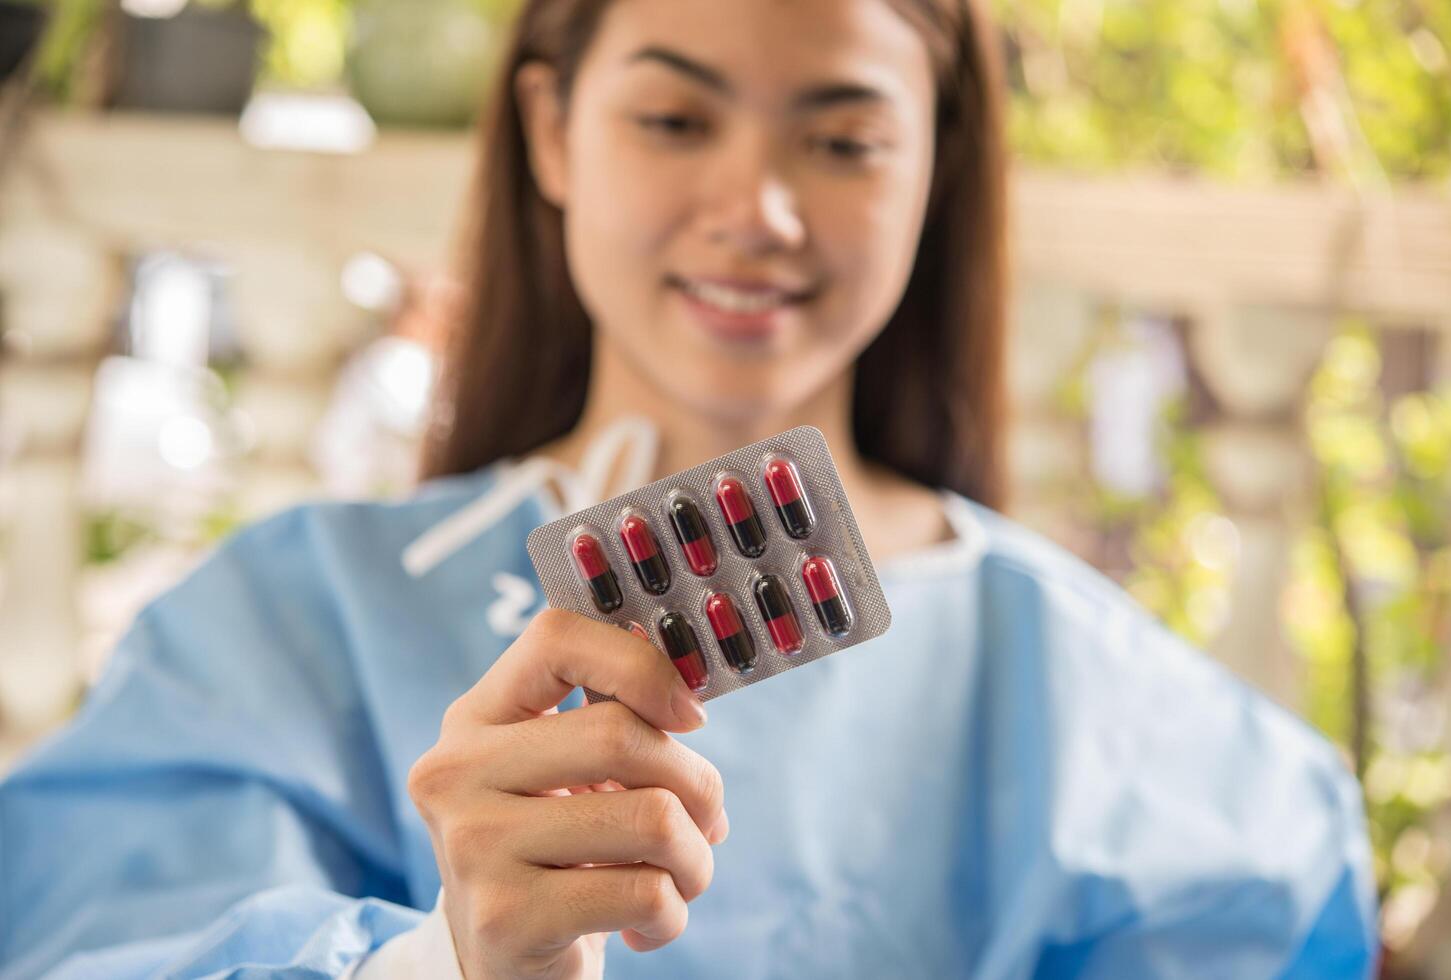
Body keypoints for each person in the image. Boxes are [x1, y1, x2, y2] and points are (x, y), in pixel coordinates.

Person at [0, 0, 1378, 977]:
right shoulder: (287, 630)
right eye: (672, 116)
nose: (759, 208)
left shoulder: (1121, 720)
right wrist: (438, 967)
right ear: (550, 132)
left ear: (936, 166)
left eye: (844, 141)